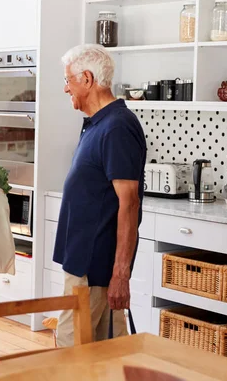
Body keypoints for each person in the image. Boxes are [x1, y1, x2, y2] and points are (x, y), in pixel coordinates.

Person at [53, 44, 146, 347]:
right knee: (104, 354)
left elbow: (129, 204)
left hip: (95, 268)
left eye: (68, 79)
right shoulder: (98, 124)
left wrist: (120, 274)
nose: (65, 87)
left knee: (70, 353)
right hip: (83, 263)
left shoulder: (117, 127)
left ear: (87, 79)